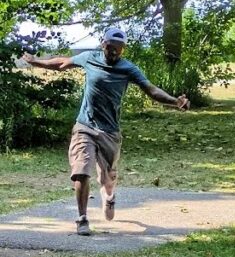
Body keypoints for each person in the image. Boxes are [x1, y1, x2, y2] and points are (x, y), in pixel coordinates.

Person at [21, 27, 190, 235]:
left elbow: (151, 90)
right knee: (82, 170)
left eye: (118, 49)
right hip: (85, 126)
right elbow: (61, 63)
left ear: (123, 50)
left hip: (110, 131)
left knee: (108, 177)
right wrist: (35, 62)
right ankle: (82, 218)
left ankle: (109, 196)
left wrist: (176, 101)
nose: (113, 52)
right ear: (103, 44)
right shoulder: (89, 58)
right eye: (110, 47)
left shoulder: (128, 69)